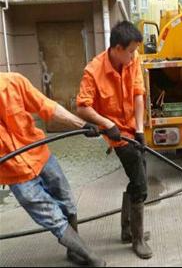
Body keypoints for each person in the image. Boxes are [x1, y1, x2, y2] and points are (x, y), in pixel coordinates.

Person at [0, 72, 106, 267]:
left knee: (67, 200)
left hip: (40, 155)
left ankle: (73, 251)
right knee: (51, 215)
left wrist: (82, 124)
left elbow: (47, 106)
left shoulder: (13, 82)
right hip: (13, 172)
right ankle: (89, 255)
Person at [76, 20, 152, 259]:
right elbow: (82, 107)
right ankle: (136, 240)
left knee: (139, 173)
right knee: (140, 183)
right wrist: (108, 125)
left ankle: (127, 230)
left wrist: (139, 129)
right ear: (117, 49)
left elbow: (139, 94)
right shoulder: (94, 71)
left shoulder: (133, 60)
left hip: (133, 130)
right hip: (117, 135)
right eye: (130, 51)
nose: (134, 55)